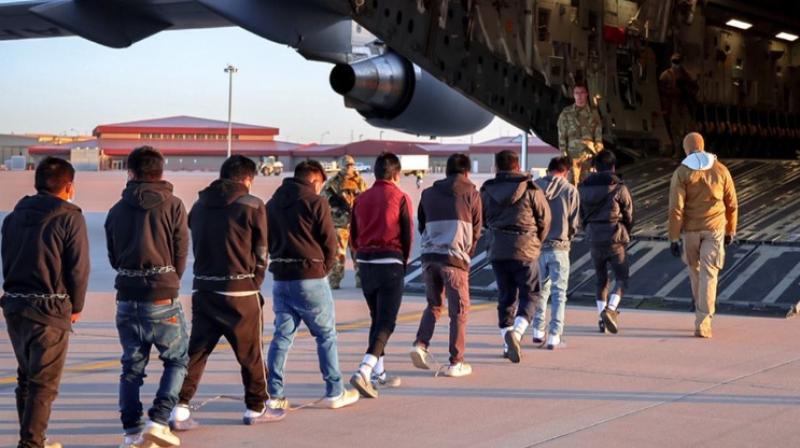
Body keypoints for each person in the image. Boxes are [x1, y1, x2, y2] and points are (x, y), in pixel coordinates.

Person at [169, 155, 282, 431]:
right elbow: (262, 249)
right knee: (251, 354)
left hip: (204, 288)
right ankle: (256, 406)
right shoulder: (252, 204)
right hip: (240, 291)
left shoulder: (199, 204)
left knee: (196, 352)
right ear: (247, 179)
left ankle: (179, 407)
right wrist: (255, 280)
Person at [1, 157, 90, 448]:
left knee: (27, 378)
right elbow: (78, 268)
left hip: (15, 307)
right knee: (43, 384)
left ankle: (34, 438)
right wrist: (76, 306)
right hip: (49, 310)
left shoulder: (12, 217)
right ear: (68, 186)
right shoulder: (69, 217)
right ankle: (31, 443)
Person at [105, 146, 190, 448]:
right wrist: (169, 279)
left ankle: (131, 433)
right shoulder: (174, 205)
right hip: (162, 294)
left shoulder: (116, 210)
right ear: (161, 171)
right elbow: (181, 251)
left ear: (130, 172)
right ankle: (158, 420)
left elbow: (114, 257)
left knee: (132, 368)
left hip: (127, 296)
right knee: (177, 360)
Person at [265, 160, 360, 410]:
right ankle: (334, 391)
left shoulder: (272, 204)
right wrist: (322, 269)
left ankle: (274, 394)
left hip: (281, 278)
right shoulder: (316, 202)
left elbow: (265, 239)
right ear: (314, 180)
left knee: (282, 337)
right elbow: (330, 243)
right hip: (310, 277)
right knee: (326, 335)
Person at [410, 154, 482, 377]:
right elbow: (477, 230)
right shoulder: (472, 193)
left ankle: (420, 344)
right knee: (459, 311)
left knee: (433, 304)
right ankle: (456, 362)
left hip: (429, 257)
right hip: (454, 259)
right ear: (467, 172)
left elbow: (421, 225)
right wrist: (466, 254)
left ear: (446, 171)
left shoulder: (428, 193)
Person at [349, 152, 414, 397]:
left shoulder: (360, 198)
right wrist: (403, 262)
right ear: (396, 174)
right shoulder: (400, 197)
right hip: (390, 261)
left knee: (376, 318)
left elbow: (353, 234)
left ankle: (379, 373)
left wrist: (359, 257)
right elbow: (407, 234)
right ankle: (365, 369)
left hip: (366, 262)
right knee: (387, 322)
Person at [480, 150, 551, 363]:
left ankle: (506, 342)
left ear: (496, 167)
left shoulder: (487, 190)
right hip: (526, 248)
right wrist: (536, 241)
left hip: (498, 249)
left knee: (506, 296)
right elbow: (545, 219)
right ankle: (517, 334)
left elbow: (481, 219)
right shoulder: (531, 189)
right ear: (517, 166)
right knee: (531, 294)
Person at [668, 132, 737, 338]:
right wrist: (731, 230)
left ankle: (700, 310)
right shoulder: (721, 169)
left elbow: (675, 208)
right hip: (715, 229)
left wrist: (673, 237)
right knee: (710, 274)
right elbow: (732, 203)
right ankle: (703, 322)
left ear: (686, 149)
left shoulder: (681, 172)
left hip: (690, 231)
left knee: (695, 271)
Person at [578, 150, 634, 335]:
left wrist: (589, 228)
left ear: (595, 167)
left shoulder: (583, 187)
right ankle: (611, 309)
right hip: (615, 237)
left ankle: (602, 320)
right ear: (613, 167)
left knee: (601, 280)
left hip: (594, 237)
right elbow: (629, 214)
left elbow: (581, 215)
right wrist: (627, 230)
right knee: (622, 278)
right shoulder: (619, 187)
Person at [533, 156, 580, 350]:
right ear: (566, 172)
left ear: (548, 169)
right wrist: (568, 236)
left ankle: (537, 331)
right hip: (560, 247)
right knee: (559, 293)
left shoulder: (535, 187)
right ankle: (554, 336)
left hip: (537, 247)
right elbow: (574, 222)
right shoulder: (570, 190)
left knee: (540, 291)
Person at [321, 155, 367, 289]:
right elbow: (323, 199)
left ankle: (361, 280)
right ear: (340, 166)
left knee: (358, 252)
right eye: (346, 165)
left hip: (356, 223)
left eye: (351, 165)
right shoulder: (332, 183)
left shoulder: (360, 181)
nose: (349, 168)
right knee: (338, 255)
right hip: (339, 223)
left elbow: (366, 198)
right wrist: (335, 204)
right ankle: (334, 280)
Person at [557, 84, 604, 185]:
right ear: (573, 95)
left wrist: (598, 153)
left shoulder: (593, 113)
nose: (579, 96)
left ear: (586, 94)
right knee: (571, 185)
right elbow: (561, 134)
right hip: (572, 156)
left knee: (587, 185)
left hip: (588, 155)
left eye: (582, 93)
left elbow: (598, 134)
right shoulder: (566, 113)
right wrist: (563, 153)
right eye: (577, 93)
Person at [659, 53, 699, 158]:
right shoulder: (666, 75)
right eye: (675, 62)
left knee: (687, 129)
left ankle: (688, 151)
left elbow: (694, 89)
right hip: (673, 104)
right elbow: (661, 90)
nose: (676, 64)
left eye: (678, 62)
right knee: (675, 129)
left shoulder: (687, 75)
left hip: (684, 105)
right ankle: (678, 150)